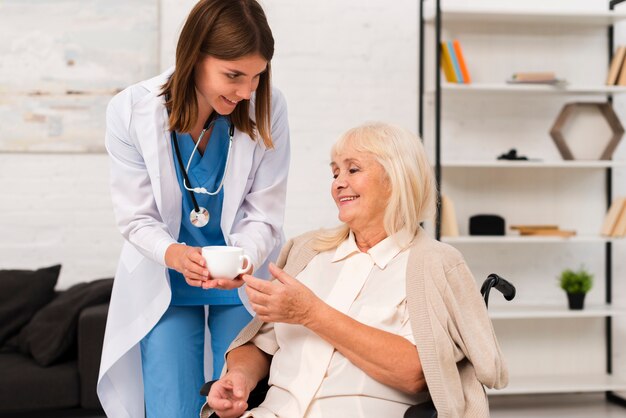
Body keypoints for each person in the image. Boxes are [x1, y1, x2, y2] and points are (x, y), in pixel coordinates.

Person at [202, 122, 507, 418]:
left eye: (353, 169)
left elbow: (416, 373)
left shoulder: (433, 264)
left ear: (395, 178)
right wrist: (240, 377)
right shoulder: (307, 251)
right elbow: (262, 343)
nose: (338, 182)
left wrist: (310, 313)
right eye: (335, 172)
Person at [97, 0, 290, 417]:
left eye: (256, 76)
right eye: (233, 75)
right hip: (164, 277)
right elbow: (136, 216)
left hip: (240, 279)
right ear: (194, 56)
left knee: (242, 401)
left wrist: (244, 257)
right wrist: (174, 254)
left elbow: (265, 212)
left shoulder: (267, 108)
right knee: (172, 404)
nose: (245, 92)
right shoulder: (131, 110)